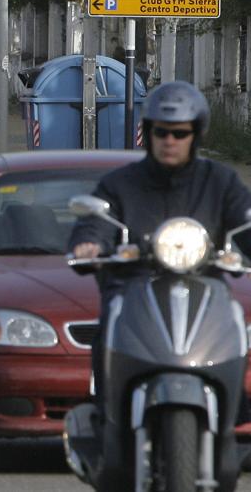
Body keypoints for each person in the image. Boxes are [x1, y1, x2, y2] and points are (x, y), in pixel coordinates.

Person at [68, 81, 251, 407]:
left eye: (179, 133)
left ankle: (233, 409)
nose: (169, 141)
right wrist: (89, 244)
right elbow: (96, 221)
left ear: (196, 134)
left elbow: (244, 219)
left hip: (204, 289)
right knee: (111, 318)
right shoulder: (120, 183)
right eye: (161, 132)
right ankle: (107, 414)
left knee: (236, 319)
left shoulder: (220, 181)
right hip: (134, 287)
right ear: (148, 132)